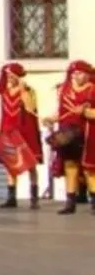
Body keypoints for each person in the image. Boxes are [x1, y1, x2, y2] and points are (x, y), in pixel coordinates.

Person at [0, 62, 43, 209]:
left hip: (25, 131)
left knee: (31, 165)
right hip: (8, 130)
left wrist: (22, 91)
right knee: (10, 165)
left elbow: (30, 108)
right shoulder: (3, 93)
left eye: (12, 75)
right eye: (8, 75)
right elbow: (0, 113)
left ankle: (34, 198)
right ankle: (11, 197)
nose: (9, 78)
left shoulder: (28, 91)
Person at [51, 59, 95, 214]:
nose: (77, 76)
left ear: (88, 74)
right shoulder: (64, 90)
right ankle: (70, 202)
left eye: (81, 73)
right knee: (70, 166)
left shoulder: (93, 90)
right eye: (75, 73)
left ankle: (94, 201)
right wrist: (52, 118)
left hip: (89, 133)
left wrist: (85, 112)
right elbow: (61, 112)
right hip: (67, 132)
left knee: (90, 169)